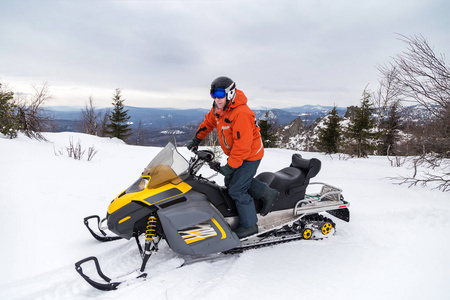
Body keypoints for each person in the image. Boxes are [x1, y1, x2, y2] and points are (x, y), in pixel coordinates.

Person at [186, 76, 279, 239]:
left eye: (220, 94)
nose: (216, 98)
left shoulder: (241, 113)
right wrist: (196, 139)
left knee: (237, 188)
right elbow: (208, 123)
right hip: (238, 152)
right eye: (213, 94)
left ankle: (250, 225)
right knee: (231, 181)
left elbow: (243, 145)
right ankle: (267, 193)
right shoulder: (218, 108)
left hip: (251, 154)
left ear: (230, 93)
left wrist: (231, 166)